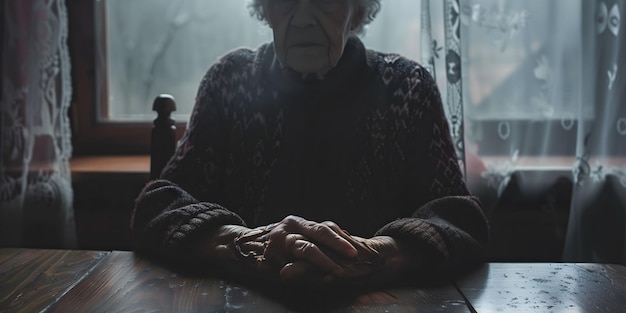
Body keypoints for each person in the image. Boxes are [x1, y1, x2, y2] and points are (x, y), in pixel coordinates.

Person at [131, 0, 489, 287]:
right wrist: (241, 244)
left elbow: (459, 220)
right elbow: (158, 206)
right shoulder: (230, 82)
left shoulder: (407, 87)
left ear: (358, 9)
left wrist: (376, 255)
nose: (302, 18)